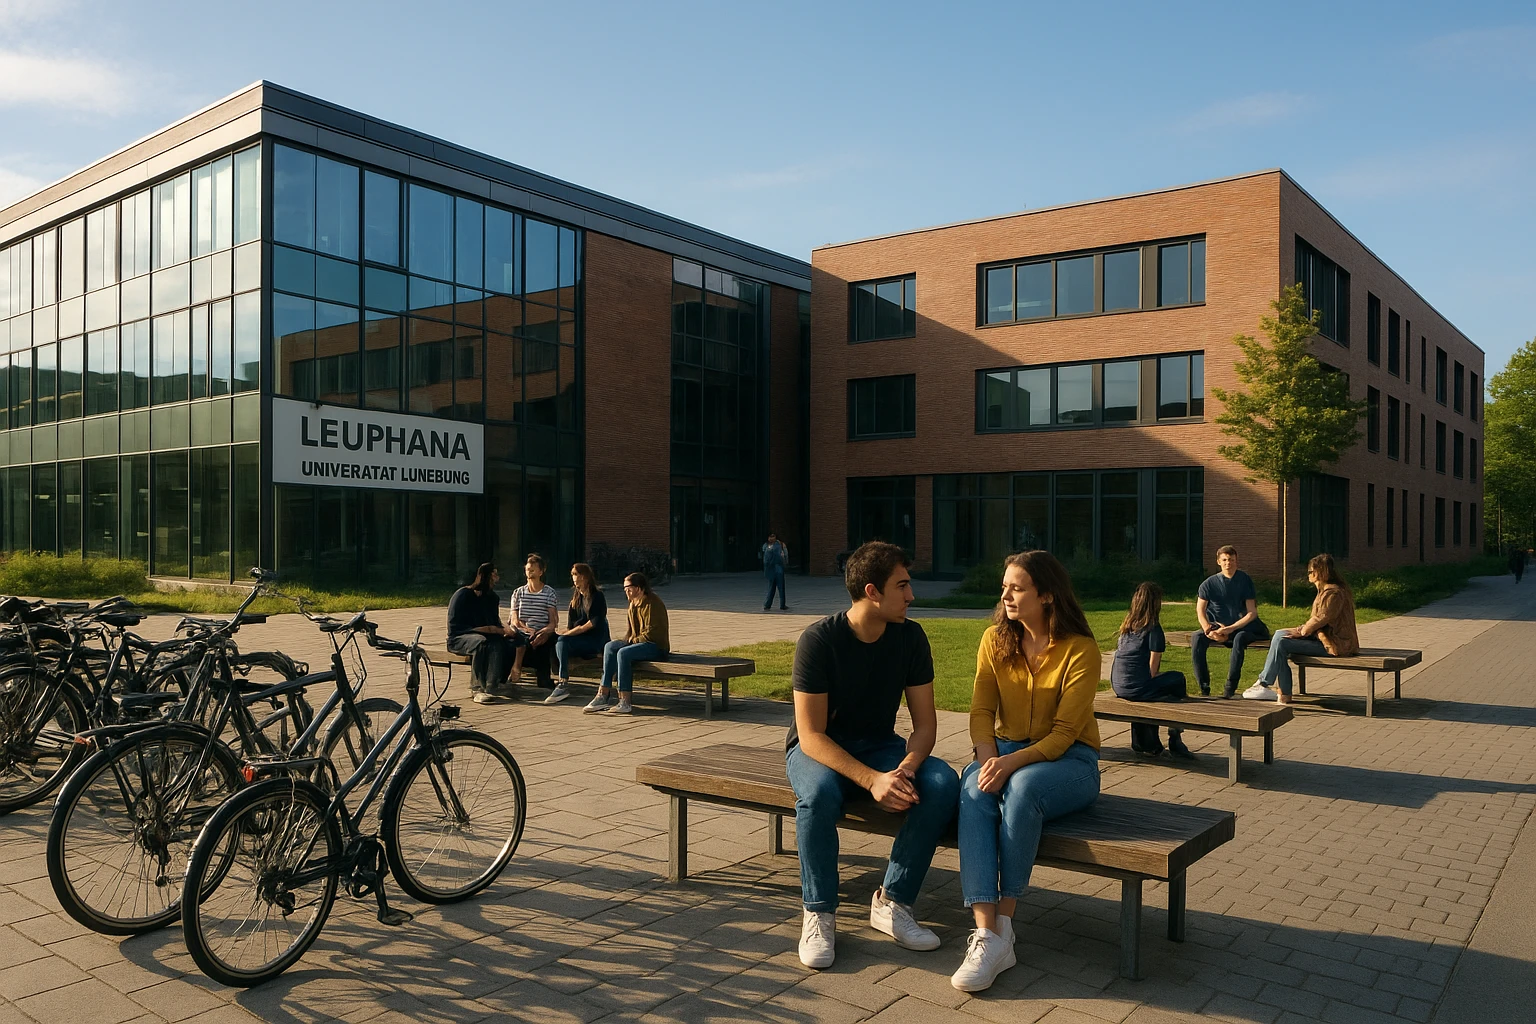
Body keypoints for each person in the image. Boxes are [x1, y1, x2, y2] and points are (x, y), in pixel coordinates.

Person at [787, 541, 960, 972]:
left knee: (941, 784)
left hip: (880, 747)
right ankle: (820, 912)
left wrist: (905, 769)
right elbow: (810, 735)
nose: (911, 596)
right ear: (872, 591)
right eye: (902, 585)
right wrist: (871, 780)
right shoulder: (819, 640)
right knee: (818, 796)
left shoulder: (910, 637)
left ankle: (893, 901)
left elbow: (924, 727)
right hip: (819, 749)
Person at [951, 550, 1101, 993]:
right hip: (1006, 751)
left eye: (1017, 588)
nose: (1006, 595)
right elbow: (980, 710)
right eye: (1005, 587)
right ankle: (988, 934)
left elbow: (1062, 735)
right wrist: (985, 757)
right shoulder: (993, 641)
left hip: (1071, 761)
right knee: (974, 790)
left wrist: (1008, 762)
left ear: (1047, 595)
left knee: (1022, 789)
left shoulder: (1081, 650)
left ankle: (1005, 924)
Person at [1244, 553, 1359, 704]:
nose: (1309, 575)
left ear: (1321, 572)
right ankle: (1279, 693)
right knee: (1280, 635)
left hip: (1336, 644)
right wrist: (1299, 630)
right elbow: (1316, 621)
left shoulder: (1333, 593)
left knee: (1281, 644)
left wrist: (1302, 632)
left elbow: (1322, 618)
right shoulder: (1324, 592)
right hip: (1323, 639)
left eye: (1311, 571)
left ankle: (1266, 683)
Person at [1110, 582, 1192, 760]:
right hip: (1137, 687)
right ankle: (1175, 732)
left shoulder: (1127, 626)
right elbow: (1152, 671)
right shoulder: (1153, 628)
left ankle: (1143, 742)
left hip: (1119, 686)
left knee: (1153, 690)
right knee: (1177, 679)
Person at [583, 572, 669, 716]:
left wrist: (630, 643)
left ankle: (625, 700)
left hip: (656, 646)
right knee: (610, 647)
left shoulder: (653, 603)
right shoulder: (633, 604)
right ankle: (603, 694)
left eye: (628, 588)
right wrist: (626, 641)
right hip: (639, 643)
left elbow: (652, 634)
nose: (626, 591)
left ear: (639, 588)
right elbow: (631, 633)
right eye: (624, 588)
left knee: (624, 653)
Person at [1191, 546, 1270, 698]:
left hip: (1243, 627)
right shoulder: (1208, 584)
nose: (1228, 563)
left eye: (1231, 560)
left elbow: (1252, 612)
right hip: (1217, 627)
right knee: (1197, 638)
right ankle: (1204, 687)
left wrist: (1231, 628)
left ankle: (1230, 688)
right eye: (1225, 560)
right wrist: (1208, 629)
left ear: (1236, 561)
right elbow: (1200, 610)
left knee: (1240, 638)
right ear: (1218, 562)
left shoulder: (1244, 580)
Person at [445, 562, 515, 705]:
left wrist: (506, 630)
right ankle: (477, 688)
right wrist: (493, 629)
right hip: (460, 638)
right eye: (493, 574)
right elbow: (456, 627)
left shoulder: (492, 598)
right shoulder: (462, 595)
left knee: (499, 643)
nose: (496, 578)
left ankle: (491, 686)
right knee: (480, 642)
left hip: (484, 636)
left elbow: (494, 623)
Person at [548, 563, 609, 705]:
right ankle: (555, 679)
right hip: (578, 639)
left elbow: (592, 624)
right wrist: (560, 633)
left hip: (595, 640)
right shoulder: (575, 600)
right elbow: (570, 627)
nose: (574, 578)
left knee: (562, 641)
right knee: (555, 640)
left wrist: (569, 634)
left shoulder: (597, 597)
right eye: (572, 575)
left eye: (576, 574)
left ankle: (562, 682)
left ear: (585, 577)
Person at [507, 554, 559, 692]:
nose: (529, 572)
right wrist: (527, 629)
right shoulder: (518, 593)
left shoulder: (549, 593)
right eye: (528, 569)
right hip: (522, 631)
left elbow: (553, 622)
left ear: (541, 572)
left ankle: (543, 680)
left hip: (541, 630)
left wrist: (545, 632)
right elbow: (514, 620)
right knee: (519, 639)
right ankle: (513, 669)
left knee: (545, 642)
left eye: (533, 570)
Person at [762, 532, 789, 611]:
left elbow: (785, 555)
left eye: (773, 536)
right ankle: (768, 605)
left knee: (780, 588)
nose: (771, 538)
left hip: (778, 567)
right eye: (770, 537)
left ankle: (782, 605)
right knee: (772, 587)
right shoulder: (766, 545)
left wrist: (785, 564)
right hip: (771, 569)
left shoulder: (780, 544)